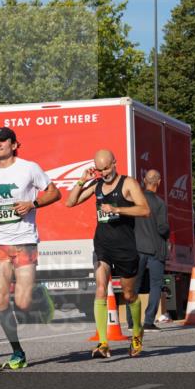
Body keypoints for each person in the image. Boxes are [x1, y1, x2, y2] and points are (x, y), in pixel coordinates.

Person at [0, 127, 61, 369]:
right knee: (1, 300)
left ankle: (39, 293)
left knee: (23, 304)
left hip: (24, 241)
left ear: (14, 144)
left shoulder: (29, 168)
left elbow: (54, 193)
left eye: (3, 141)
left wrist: (32, 203)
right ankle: (17, 352)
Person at [66, 149, 150, 358]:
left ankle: (137, 333)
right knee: (101, 289)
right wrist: (81, 181)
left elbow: (144, 210)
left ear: (115, 162)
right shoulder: (96, 185)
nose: (104, 173)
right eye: (99, 169)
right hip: (102, 245)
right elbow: (70, 202)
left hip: (125, 247)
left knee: (129, 295)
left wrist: (117, 209)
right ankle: (103, 343)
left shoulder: (128, 183)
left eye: (107, 168)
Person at [134, 170, 169, 330]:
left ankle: (131, 321)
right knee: (155, 285)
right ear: (159, 182)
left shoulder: (136, 200)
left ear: (144, 181)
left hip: (137, 248)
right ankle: (148, 321)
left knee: (134, 284)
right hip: (155, 249)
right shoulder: (160, 203)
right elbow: (163, 229)